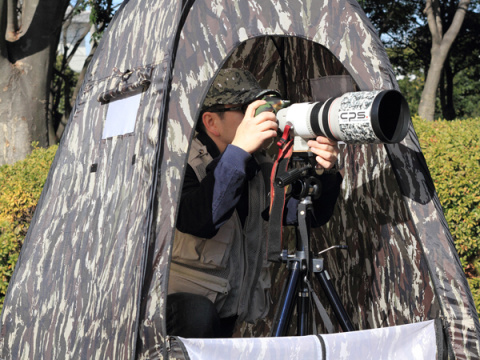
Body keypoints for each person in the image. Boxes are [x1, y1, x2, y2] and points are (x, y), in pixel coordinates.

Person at [166, 68, 342, 338]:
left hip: (235, 312)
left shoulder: (259, 167)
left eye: (265, 108)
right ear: (212, 122)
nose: (262, 116)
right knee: (197, 313)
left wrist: (323, 172)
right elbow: (201, 220)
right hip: (181, 314)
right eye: (248, 109)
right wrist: (238, 152)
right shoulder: (180, 163)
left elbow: (305, 214)